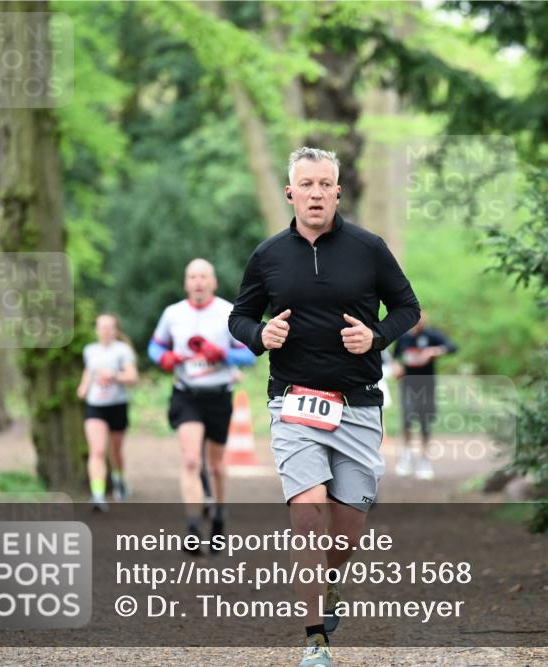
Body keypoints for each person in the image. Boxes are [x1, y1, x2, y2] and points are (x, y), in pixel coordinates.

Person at [229, 147, 419, 667]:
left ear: (338, 191)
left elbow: (408, 307)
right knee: (309, 512)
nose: (316, 193)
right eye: (306, 184)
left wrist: (375, 337)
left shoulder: (368, 248)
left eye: (325, 184)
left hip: (357, 405)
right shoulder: (268, 255)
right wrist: (260, 334)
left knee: (347, 527)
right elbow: (239, 317)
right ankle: (315, 639)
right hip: (293, 404)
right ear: (290, 192)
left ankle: (330, 581)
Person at [148, 258, 256, 554]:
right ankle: (193, 526)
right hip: (186, 394)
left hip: (219, 395)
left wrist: (223, 354)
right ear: (186, 283)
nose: (198, 282)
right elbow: (155, 346)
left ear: (213, 282)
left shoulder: (228, 313)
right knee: (191, 461)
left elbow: (249, 356)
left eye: (203, 277)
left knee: (217, 465)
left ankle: (219, 517)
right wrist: (163, 358)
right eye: (192, 276)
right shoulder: (173, 314)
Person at [76, 313, 138, 511]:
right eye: (101, 327)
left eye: (108, 327)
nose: (104, 330)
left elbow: (132, 377)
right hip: (95, 405)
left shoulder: (123, 351)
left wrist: (114, 376)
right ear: (96, 330)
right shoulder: (90, 350)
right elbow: (89, 371)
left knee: (115, 450)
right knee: (97, 450)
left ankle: (119, 478)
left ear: (115, 330)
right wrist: (84, 386)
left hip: (117, 405)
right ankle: (98, 494)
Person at [392, 310, 457, 479]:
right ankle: (406, 456)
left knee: (425, 421)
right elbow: (394, 357)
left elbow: (452, 347)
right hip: (407, 385)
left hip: (427, 385)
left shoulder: (432, 335)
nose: (418, 324)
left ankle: (424, 460)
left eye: (421, 320)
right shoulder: (404, 338)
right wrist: (396, 367)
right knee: (407, 419)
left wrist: (436, 351)